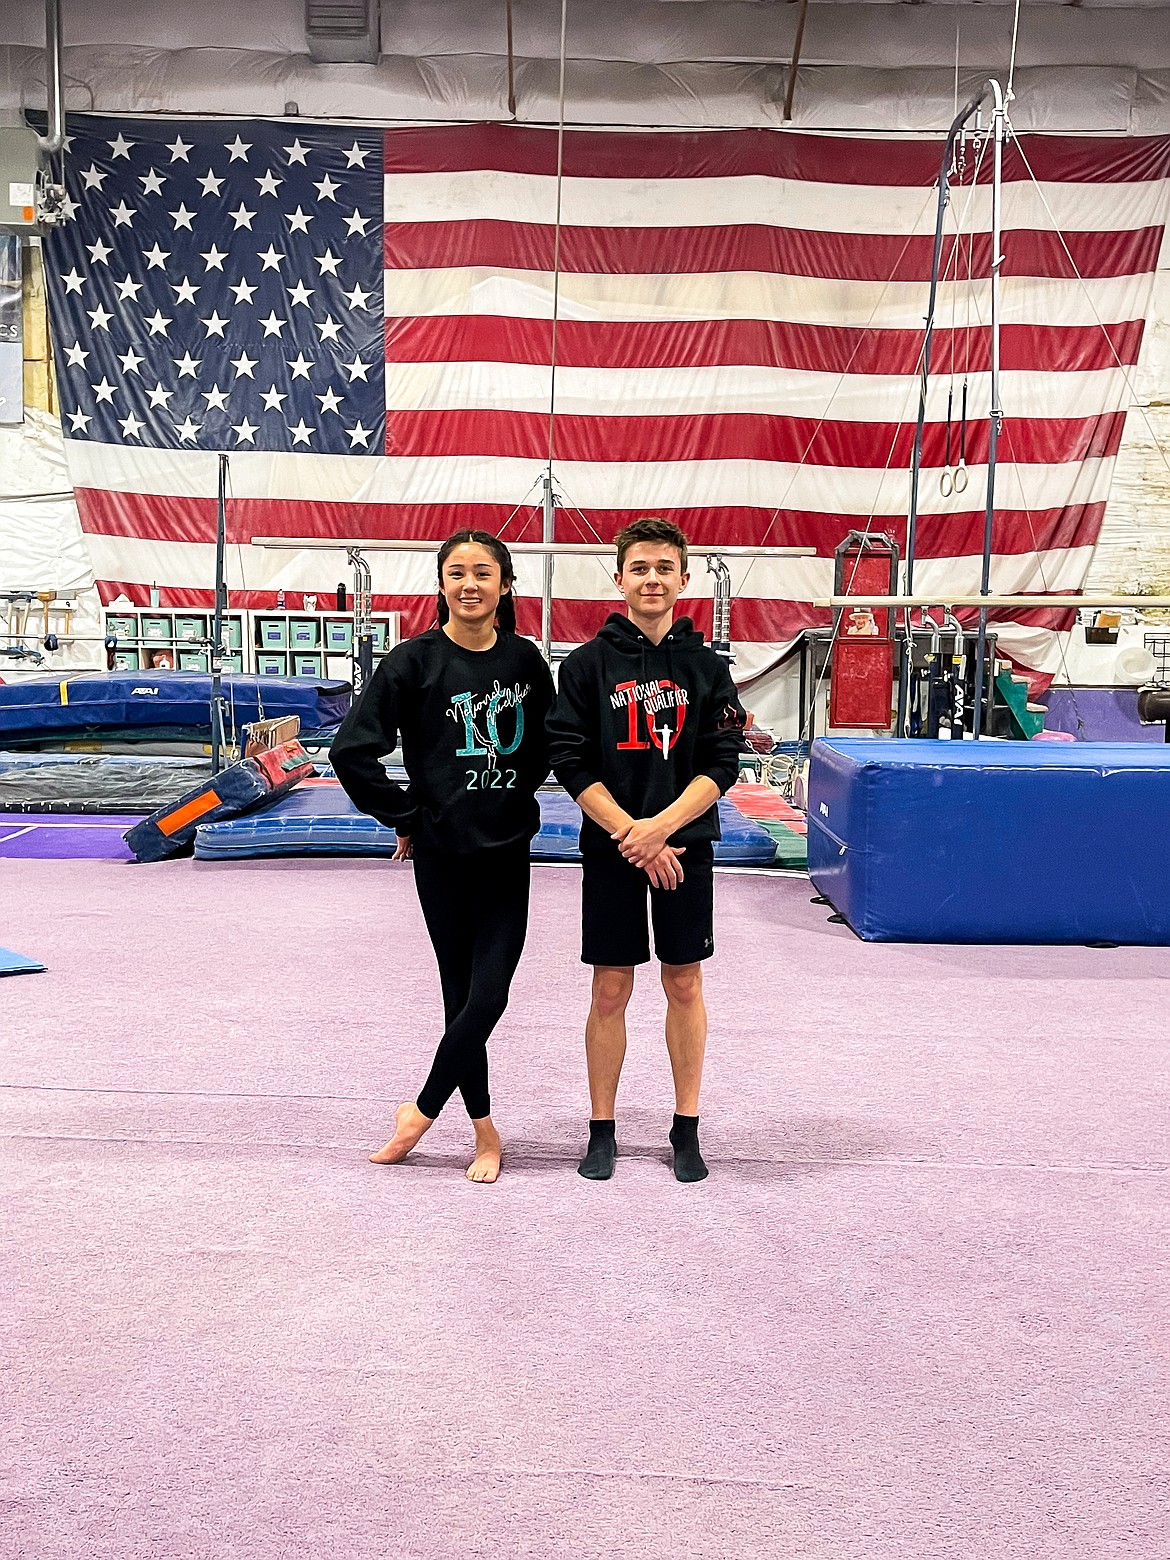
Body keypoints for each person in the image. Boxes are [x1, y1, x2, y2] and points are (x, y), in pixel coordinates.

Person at [330, 530, 554, 1184]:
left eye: (483, 573)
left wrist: (515, 796)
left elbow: (548, 743)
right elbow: (352, 750)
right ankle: (485, 1132)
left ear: (505, 586)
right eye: (456, 573)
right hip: (443, 857)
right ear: (442, 584)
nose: (470, 585)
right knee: (460, 999)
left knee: (489, 996)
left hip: (506, 853)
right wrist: (407, 814)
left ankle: (419, 1113)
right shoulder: (413, 662)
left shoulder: (525, 661)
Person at [547, 517, 745, 1184]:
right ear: (620, 579)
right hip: (613, 849)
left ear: (684, 579)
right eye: (640, 567)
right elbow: (570, 763)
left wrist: (662, 827)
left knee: (684, 981)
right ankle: (601, 1127)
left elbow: (723, 763)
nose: (652, 578)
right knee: (610, 988)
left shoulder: (707, 668)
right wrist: (634, 834)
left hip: (684, 848)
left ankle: (684, 1124)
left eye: (665, 567)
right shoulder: (585, 665)